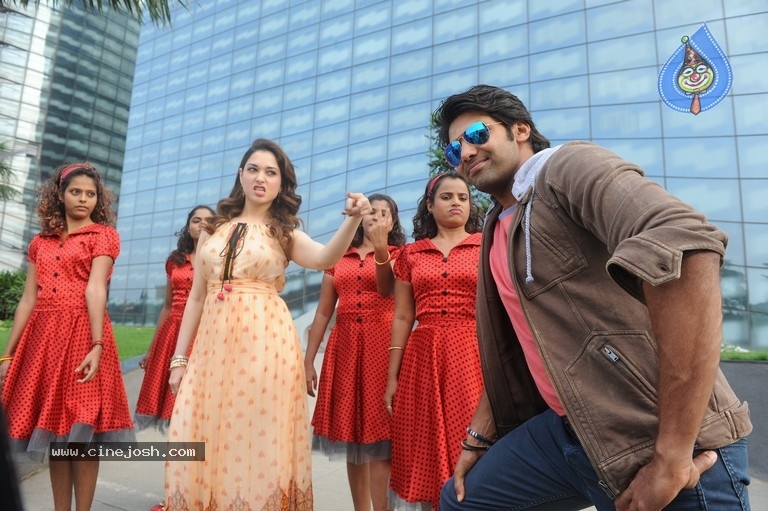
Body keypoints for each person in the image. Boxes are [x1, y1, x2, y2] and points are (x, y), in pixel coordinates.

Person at [433, 84, 752, 511]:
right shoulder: (496, 226)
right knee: (460, 502)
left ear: (520, 130)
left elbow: (684, 242)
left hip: (659, 437)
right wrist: (479, 436)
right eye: (454, 150)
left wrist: (673, 455)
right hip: (569, 432)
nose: (466, 153)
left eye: (476, 134)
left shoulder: (566, 167)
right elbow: (520, 345)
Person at [163, 138, 373, 511]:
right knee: (196, 428)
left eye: (271, 173)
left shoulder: (284, 232)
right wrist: (180, 360)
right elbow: (196, 297)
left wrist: (354, 219)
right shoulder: (212, 227)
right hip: (212, 351)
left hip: (266, 347)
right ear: (241, 174)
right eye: (254, 169)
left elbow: (326, 258)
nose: (261, 178)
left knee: (253, 435)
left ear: (281, 183)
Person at [0, 162, 135, 511]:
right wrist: (8, 355)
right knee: (56, 434)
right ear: (60, 195)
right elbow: (28, 298)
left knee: (81, 432)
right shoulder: (39, 243)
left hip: (83, 334)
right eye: (76, 192)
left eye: (91, 194)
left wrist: (97, 344)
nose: (84, 199)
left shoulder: (103, 235)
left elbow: (95, 288)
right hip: (43, 339)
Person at [383, 172, 485, 511]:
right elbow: (402, 316)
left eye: (463, 197)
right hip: (422, 359)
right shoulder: (410, 254)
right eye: (447, 196)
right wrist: (392, 377)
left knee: (470, 441)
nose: (456, 202)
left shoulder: (486, 245)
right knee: (424, 447)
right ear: (429, 204)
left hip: (472, 357)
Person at [305, 193, 407, 511]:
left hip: (383, 346)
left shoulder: (401, 255)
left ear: (393, 221)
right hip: (345, 348)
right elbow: (323, 312)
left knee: (380, 439)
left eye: (385, 213)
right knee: (353, 440)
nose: (377, 217)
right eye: (371, 211)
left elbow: (387, 290)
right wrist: (308, 361)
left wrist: (380, 248)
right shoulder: (339, 256)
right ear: (360, 217)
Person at [134, 205, 215, 432]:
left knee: (195, 397)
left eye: (208, 221)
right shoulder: (175, 260)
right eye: (196, 220)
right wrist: (151, 350)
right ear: (188, 227)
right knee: (171, 395)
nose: (201, 224)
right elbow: (167, 306)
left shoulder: (220, 259)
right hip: (172, 331)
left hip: (203, 332)